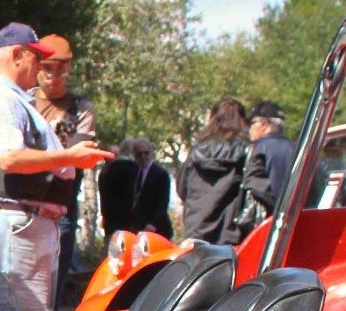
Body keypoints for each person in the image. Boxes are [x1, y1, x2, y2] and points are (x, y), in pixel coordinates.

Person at [0, 23, 112, 311]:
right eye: (37, 59)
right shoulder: (0, 98)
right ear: (18, 55)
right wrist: (70, 155)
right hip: (16, 220)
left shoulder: (16, 98)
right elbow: (9, 158)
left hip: (29, 222)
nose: (41, 69)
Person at [32, 34, 97, 308]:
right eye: (47, 67)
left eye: (60, 68)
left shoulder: (80, 107)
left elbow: (78, 156)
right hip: (23, 204)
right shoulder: (21, 101)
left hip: (62, 208)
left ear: (68, 68)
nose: (52, 75)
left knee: (52, 290)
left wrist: (36, 155)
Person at [178, 98, 253, 245]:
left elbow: (181, 189)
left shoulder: (197, 151)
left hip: (195, 229)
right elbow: (256, 191)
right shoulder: (247, 152)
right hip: (230, 233)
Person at [97, 137, 173, 238]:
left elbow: (163, 203)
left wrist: (152, 223)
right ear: (134, 155)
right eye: (139, 154)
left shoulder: (160, 174)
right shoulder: (134, 171)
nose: (143, 156)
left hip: (156, 228)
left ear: (151, 153)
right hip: (136, 229)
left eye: (146, 153)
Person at [243, 100, 296, 224]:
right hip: (297, 222)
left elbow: (254, 189)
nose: (249, 129)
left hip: (266, 225)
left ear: (264, 124)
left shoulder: (255, 149)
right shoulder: (299, 149)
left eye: (252, 123)